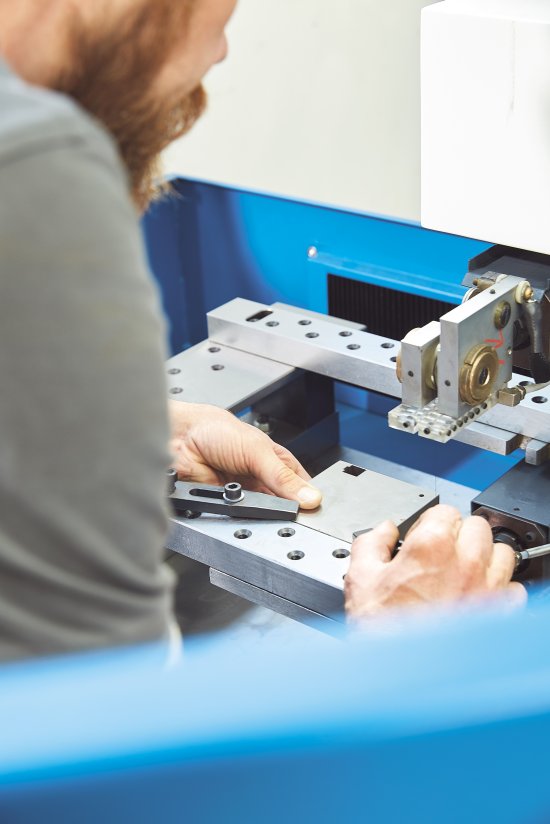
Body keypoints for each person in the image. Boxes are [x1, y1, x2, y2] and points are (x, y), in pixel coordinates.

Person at [0, 0, 522, 662]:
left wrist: (138, 430)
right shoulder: (35, 172)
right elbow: (89, 716)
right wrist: (398, 652)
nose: (222, 48)